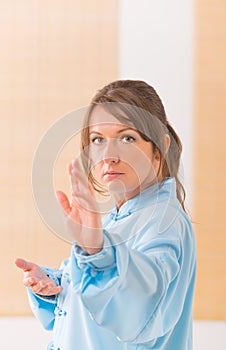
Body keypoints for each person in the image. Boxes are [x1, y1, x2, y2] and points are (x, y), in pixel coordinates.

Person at [15, 80, 196, 350]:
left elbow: (144, 297)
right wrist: (54, 286)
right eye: (98, 140)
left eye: (127, 138)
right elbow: (90, 310)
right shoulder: (112, 220)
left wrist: (98, 250)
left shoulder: (163, 221)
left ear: (159, 147)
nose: (109, 155)